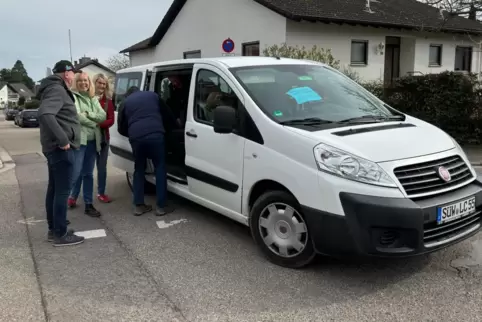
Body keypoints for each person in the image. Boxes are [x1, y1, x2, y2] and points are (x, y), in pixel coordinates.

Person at [37, 60, 85, 246]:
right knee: (62, 191)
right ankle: (61, 234)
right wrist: (63, 139)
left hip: (54, 148)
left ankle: (54, 229)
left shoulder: (53, 88)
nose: (74, 76)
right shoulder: (57, 90)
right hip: (60, 149)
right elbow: (45, 114)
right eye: (73, 73)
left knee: (55, 190)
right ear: (66, 73)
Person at [117, 87, 178, 216]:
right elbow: (167, 115)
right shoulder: (153, 96)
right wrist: (170, 131)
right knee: (160, 167)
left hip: (136, 138)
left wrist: (133, 135)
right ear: (139, 91)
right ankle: (161, 206)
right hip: (156, 134)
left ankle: (138, 205)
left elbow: (121, 127)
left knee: (139, 169)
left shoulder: (125, 103)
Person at [68, 72, 106, 217]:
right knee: (75, 173)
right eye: (80, 81)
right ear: (76, 83)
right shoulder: (73, 97)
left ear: (89, 83)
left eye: (86, 80)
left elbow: (102, 115)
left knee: (88, 174)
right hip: (80, 141)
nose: (83, 83)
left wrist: (88, 115)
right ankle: (65, 200)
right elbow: (76, 116)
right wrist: (94, 123)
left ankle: (89, 204)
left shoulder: (93, 98)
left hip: (92, 142)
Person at [92, 73, 115, 203]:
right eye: (99, 83)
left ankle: (101, 192)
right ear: (94, 83)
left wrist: (99, 123)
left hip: (103, 138)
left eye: (104, 83)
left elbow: (111, 119)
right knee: (85, 168)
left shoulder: (108, 101)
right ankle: (74, 195)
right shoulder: (88, 98)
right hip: (89, 138)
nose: (101, 85)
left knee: (102, 167)